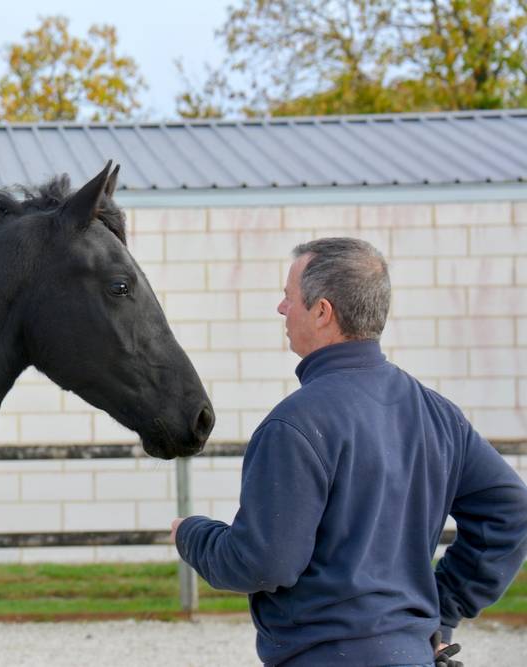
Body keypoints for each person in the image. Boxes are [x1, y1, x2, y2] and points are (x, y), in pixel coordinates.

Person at [171, 237, 527, 667]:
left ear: (322, 312)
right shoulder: (437, 413)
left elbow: (264, 564)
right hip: (411, 655)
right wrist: (440, 611)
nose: (281, 309)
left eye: (288, 298)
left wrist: (191, 534)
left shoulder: (296, 423)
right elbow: (510, 510)